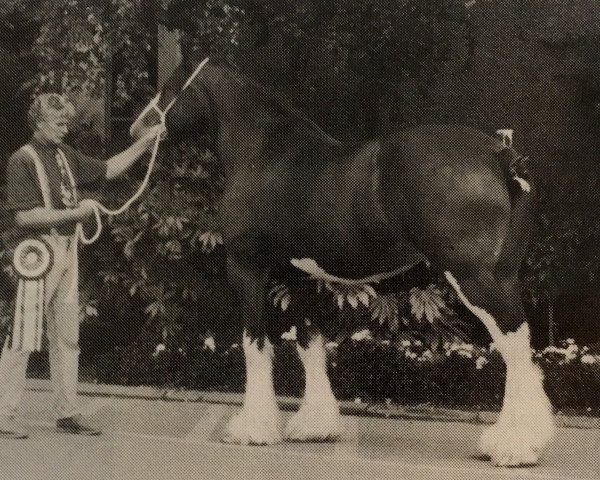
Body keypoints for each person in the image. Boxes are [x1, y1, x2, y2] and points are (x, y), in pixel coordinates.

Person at [0, 93, 163, 438]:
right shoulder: (21, 160)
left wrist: (147, 141)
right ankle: (2, 412)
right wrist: (76, 213)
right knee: (25, 334)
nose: (64, 129)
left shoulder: (66, 155)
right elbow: (25, 216)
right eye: (57, 123)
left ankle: (67, 412)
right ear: (38, 122)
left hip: (68, 250)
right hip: (38, 253)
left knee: (67, 337)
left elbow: (111, 168)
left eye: (66, 123)